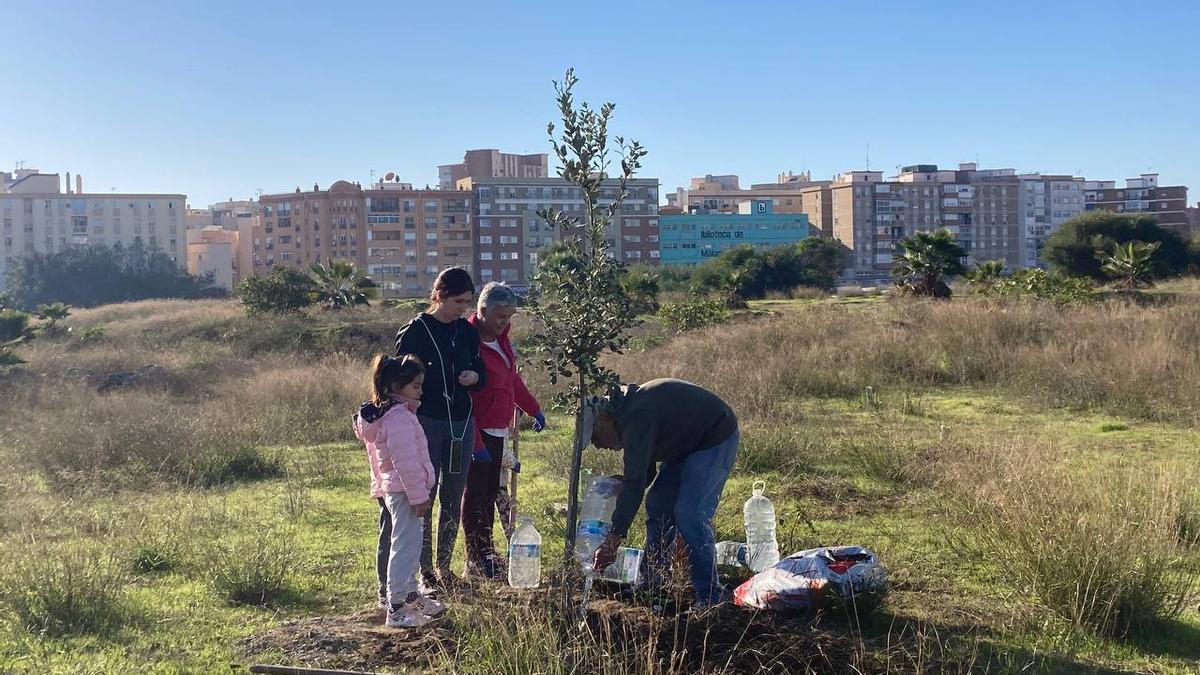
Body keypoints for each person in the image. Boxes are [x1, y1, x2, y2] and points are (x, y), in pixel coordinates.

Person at [589, 378, 739, 607]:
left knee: (689, 514)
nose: (598, 445)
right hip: (685, 446)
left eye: (595, 437)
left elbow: (636, 484)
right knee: (658, 504)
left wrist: (612, 540)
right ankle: (652, 584)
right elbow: (642, 471)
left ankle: (710, 598)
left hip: (713, 436)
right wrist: (625, 483)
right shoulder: (626, 412)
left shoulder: (635, 416)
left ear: (604, 419)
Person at [395, 267, 486, 591]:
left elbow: (481, 372)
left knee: (453, 495)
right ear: (439, 296)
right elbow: (398, 380)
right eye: (458, 301)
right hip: (426, 423)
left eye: (467, 302)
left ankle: (445, 568)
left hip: (461, 423)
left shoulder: (467, 331)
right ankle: (425, 573)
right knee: (425, 495)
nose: (463, 308)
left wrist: (474, 378)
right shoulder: (415, 331)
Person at [354, 354, 447, 628]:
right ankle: (395, 607)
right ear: (397, 385)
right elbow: (405, 463)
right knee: (404, 547)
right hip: (405, 491)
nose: (421, 391)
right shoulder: (398, 420)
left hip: (405, 490)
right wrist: (419, 497)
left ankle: (410, 595)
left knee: (412, 543)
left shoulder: (400, 415)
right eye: (416, 386)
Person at [463, 282, 546, 579]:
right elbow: (466, 401)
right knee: (476, 497)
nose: (505, 323)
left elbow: (512, 381)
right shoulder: (468, 343)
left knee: (489, 495)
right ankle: (475, 558)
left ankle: (487, 553)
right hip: (477, 432)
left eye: (509, 317)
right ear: (482, 311)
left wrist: (533, 407)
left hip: (500, 429)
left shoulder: (503, 341)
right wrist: (476, 443)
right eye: (500, 317)